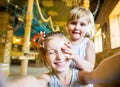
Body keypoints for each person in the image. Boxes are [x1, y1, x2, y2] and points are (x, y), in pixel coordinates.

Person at [8, 31, 86, 87]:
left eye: (64, 50)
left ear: (71, 51)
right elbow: (36, 82)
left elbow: (95, 75)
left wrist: (75, 56)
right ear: (45, 57)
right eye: (51, 52)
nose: (59, 57)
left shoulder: (81, 75)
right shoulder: (47, 78)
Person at [62, 6, 96, 72]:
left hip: (82, 81)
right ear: (67, 24)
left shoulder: (88, 44)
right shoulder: (63, 43)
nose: (77, 27)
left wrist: (74, 56)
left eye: (82, 24)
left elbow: (90, 68)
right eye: (73, 23)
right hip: (67, 80)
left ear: (88, 27)